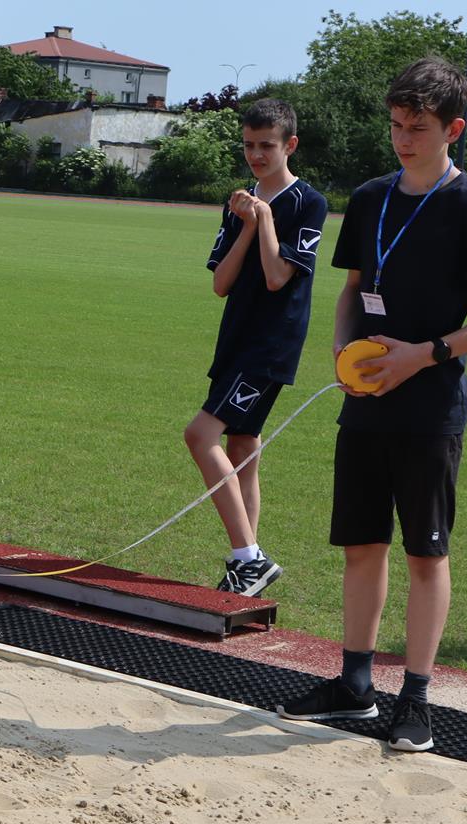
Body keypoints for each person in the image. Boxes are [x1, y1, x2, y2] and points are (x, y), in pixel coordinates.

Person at [273, 57, 467, 754]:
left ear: (453, 130)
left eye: (418, 128)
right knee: (361, 545)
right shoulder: (371, 196)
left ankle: (415, 698)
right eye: (395, 126)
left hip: (430, 406)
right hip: (366, 399)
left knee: (424, 554)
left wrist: (425, 354)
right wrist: (341, 348)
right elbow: (353, 288)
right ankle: (354, 685)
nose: (403, 140)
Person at [184, 98, 325, 595]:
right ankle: (248, 567)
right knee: (242, 446)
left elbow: (276, 276)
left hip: (270, 345)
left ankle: (249, 557)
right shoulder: (239, 203)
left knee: (200, 435)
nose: (256, 155)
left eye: (267, 145)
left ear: (290, 145)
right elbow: (221, 283)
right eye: (248, 145)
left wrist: (265, 220)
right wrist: (245, 224)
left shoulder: (308, 202)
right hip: (236, 337)